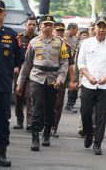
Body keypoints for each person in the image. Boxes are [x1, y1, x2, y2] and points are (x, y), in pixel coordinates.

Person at [16, 15, 69, 152]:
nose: (47, 27)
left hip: (53, 79)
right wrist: (20, 83)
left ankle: (46, 133)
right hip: (37, 78)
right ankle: (35, 138)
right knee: (36, 106)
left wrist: (60, 79)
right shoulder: (33, 42)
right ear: (41, 26)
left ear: (53, 27)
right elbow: (27, 65)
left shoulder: (60, 42)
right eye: (45, 24)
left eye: (50, 25)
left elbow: (64, 63)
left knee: (50, 108)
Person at [77, 16, 106, 155]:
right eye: (99, 26)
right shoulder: (86, 43)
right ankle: (89, 133)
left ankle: (97, 143)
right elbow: (81, 63)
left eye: (104, 27)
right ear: (94, 28)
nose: (101, 29)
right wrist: (89, 77)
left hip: (105, 86)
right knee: (85, 112)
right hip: (88, 84)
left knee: (101, 115)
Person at [0, 0, 25, 167]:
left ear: (5, 14)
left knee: (2, 121)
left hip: (2, 86)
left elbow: (19, 59)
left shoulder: (12, 35)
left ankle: (1, 153)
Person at [13, 16, 38, 131]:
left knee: (30, 97)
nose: (31, 26)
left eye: (33, 24)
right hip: (19, 72)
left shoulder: (38, 39)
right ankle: (19, 121)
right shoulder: (19, 38)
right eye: (29, 24)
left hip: (33, 72)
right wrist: (15, 66)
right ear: (25, 25)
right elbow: (14, 54)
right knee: (19, 97)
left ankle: (29, 122)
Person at [50, 22, 75, 138]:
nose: (59, 32)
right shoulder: (45, 43)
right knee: (45, 102)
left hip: (62, 79)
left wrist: (71, 80)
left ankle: (54, 128)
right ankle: (45, 125)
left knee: (58, 104)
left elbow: (70, 65)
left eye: (61, 31)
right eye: (57, 30)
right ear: (53, 31)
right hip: (47, 77)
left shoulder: (67, 48)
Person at [65, 22, 80, 113]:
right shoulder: (63, 37)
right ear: (71, 29)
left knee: (74, 84)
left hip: (73, 64)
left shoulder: (76, 39)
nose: (77, 31)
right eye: (76, 29)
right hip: (64, 64)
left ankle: (70, 104)